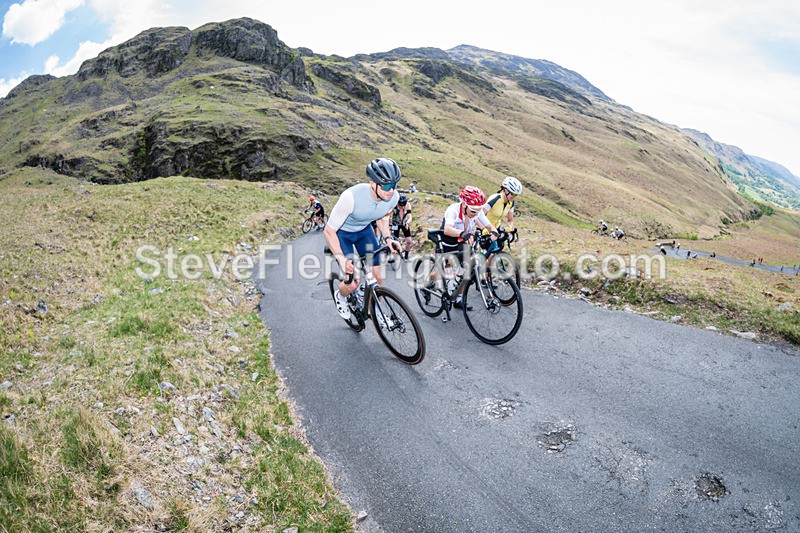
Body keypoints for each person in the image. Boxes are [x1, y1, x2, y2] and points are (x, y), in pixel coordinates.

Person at [324, 158, 403, 320]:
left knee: (377, 276)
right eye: (387, 186)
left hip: (364, 232)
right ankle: (341, 296)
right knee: (353, 282)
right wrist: (341, 258)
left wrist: (388, 239)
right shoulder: (350, 197)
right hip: (341, 234)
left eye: (394, 185)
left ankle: (375, 310)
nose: (391, 190)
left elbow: (382, 218)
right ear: (372, 183)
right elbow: (329, 231)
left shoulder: (393, 197)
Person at [439, 186, 498, 309]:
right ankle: (425, 285)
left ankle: (458, 299)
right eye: (473, 211)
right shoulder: (453, 210)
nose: (476, 214)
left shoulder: (476, 211)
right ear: (464, 205)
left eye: (478, 210)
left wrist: (494, 233)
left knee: (467, 270)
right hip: (448, 241)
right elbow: (447, 229)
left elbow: (489, 226)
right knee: (442, 274)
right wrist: (462, 233)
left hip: (463, 242)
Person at [391, 194, 413, 260]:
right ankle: (393, 256)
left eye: (404, 205)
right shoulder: (394, 205)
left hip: (404, 223)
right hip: (395, 223)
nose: (402, 207)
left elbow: (410, 216)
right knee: (394, 241)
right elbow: (389, 215)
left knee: (409, 241)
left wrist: (407, 222)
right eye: (401, 205)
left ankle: (406, 255)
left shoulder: (408, 205)